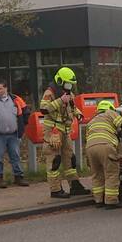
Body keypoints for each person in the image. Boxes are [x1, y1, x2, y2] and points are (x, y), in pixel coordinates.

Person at [39, 66, 90, 199]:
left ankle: (75, 186)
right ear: (60, 81)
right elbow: (43, 109)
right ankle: (55, 189)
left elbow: (73, 108)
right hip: (53, 132)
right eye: (68, 84)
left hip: (65, 131)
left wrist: (78, 114)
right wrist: (60, 101)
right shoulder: (50, 93)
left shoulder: (69, 94)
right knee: (54, 160)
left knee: (70, 159)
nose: (70, 86)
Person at [85, 100, 122, 209]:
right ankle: (111, 201)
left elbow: (87, 138)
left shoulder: (91, 121)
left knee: (96, 174)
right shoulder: (110, 113)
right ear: (110, 108)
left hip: (90, 148)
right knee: (111, 173)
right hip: (105, 145)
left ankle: (98, 200)